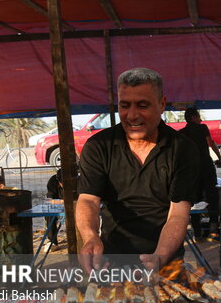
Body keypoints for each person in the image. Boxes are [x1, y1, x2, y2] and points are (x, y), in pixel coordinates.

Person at [76, 68, 200, 273]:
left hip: (165, 259)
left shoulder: (182, 149)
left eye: (143, 105)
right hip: (111, 260)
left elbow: (178, 213)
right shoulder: (98, 146)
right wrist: (90, 237)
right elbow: (88, 199)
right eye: (125, 106)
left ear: (161, 104)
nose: (132, 115)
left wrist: (159, 257)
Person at [179, 107, 221, 242]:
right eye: (198, 116)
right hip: (206, 166)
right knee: (212, 197)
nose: (200, 119)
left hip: (191, 171)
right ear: (193, 117)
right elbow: (211, 143)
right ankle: (213, 232)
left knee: (195, 200)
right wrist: (220, 158)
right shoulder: (202, 128)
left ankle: (198, 234)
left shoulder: (182, 133)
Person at [44, 168, 64, 250]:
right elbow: (50, 200)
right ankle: (52, 241)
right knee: (49, 214)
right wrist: (63, 201)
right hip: (57, 205)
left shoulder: (76, 180)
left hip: (74, 205)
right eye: (62, 183)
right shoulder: (52, 181)